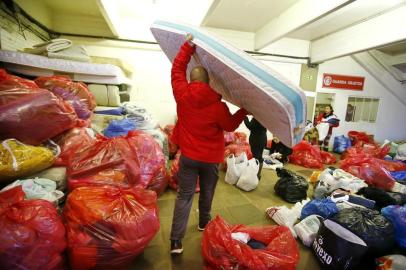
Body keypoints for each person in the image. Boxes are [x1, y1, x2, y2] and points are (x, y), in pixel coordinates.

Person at [169, 34, 248, 254]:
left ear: (191, 80)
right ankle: (204, 221)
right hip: (211, 159)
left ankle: (176, 241)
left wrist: (188, 46)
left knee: (184, 196)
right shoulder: (218, 106)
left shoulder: (181, 94)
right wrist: (243, 110)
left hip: (189, 157)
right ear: (207, 82)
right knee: (207, 192)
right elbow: (231, 125)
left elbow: (176, 69)